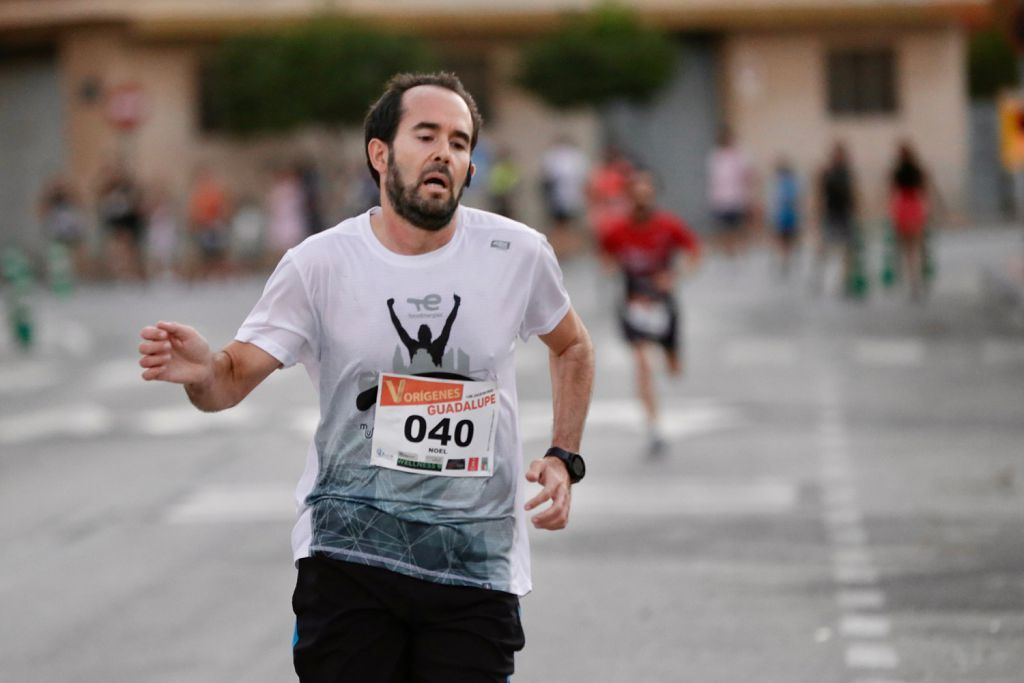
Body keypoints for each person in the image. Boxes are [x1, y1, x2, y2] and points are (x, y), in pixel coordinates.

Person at [138, 72, 595, 682]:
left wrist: (565, 455)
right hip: (349, 555)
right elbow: (231, 378)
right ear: (380, 154)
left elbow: (572, 347)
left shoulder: (518, 254)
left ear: (470, 167)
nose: (444, 153)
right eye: (426, 135)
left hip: (473, 564)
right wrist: (202, 372)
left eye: (459, 143)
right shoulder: (319, 264)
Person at [600, 169, 700, 456]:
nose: (642, 202)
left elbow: (695, 252)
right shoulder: (617, 230)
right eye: (636, 197)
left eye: (647, 196)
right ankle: (653, 426)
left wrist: (675, 275)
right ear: (629, 199)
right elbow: (605, 253)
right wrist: (612, 267)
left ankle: (672, 356)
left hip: (664, 304)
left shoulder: (668, 226)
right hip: (634, 305)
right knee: (642, 363)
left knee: (673, 369)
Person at [888, 142, 931, 300]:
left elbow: (892, 192)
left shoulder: (898, 171)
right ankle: (915, 278)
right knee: (914, 247)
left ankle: (912, 277)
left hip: (905, 206)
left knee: (908, 248)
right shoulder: (916, 170)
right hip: (912, 206)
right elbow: (924, 190)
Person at [814, 142, 857, 295]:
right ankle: (818, 280)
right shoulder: (827, 172)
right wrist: (817, 213)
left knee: (848, 249)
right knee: (824, 248)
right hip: (831, 212)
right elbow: (819, 193)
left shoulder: (847, 172)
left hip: (844, 213)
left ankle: (845, 281)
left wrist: (856, 211)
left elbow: (853, 193)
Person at [707, 128, 754, 258]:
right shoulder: (716, 156)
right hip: (722, 198)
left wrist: (749, 194)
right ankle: (729, 251)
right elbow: (714, 179)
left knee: (739, 226)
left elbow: (748, 174)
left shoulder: (740, 154)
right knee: (724, 227)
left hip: (738, 197)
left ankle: (742, 249)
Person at [539, 134, 589, 257]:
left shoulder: (573, 157)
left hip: (569, 197)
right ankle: (562, 248)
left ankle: (568, 249)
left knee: (566, 225)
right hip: (559, 197)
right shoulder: (555, 156)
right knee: (561, 225)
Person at [771, 158, 801, 278]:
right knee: (785, 240)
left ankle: (786, 260)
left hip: (786, 216)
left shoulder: (784, 184)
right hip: (785, 216)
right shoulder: (787, 183)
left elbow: (791, 200)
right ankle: (785, 260)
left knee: (786, 239)